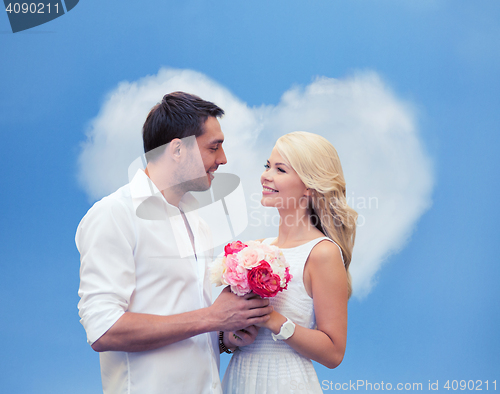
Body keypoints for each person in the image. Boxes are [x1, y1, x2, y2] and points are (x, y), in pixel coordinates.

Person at [76, 92, 272, 394]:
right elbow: (103, 330)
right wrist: (211, 318)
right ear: (178, 149)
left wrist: (223, 337)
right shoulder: (114, 214)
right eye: (214, 147)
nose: (223, 159)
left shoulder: (198, 222)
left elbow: (191, 321)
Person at [221, 131, 357, 394]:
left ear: (309, 185)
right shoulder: (254, 249)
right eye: (267, 166)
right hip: (240, 378)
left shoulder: (322, 253)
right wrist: (232, 336)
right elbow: (232, 332)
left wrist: (273, 320)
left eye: (280, 169)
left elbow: (334, 352)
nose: (266, 176)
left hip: (285, 382)